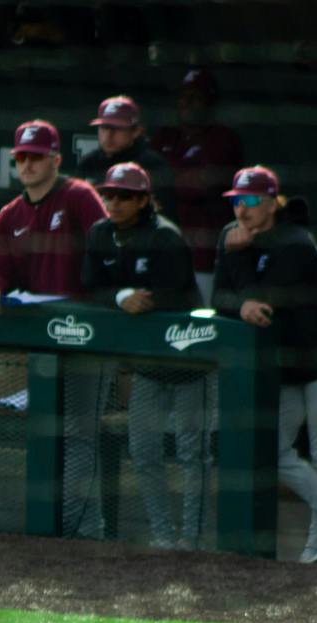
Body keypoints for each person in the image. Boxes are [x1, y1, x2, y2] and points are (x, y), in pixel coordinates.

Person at [211, 165, 317, 565]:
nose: (242, 210)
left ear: (272, 203)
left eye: (251, 200)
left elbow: (263, 303)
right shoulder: (231, 236)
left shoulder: (295, 241)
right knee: (270, 447)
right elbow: (220, 298)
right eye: (236, 201)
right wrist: (239, 287)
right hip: (286, 362)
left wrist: (237, 261)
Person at [0, 120, 110, 538]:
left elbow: (108, 252)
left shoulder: (79, 197)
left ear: (56, 159)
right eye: (21, 157)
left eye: (36, 156)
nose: (28, 164)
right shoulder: (9, 215)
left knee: (80, 433)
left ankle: (85, 529)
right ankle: (53, 529)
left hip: (85, 334)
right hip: (42, 342)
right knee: (49, 432)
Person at [81, 162, 205, 549]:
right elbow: (89, 286)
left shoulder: (165, 237)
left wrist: (136, 299)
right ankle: (163, 536)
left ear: (144, 200)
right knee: (144, 451)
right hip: (147, 365)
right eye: (109, 194)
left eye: (125, 196)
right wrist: (121, 296)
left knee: (191, 453)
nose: (114, 202)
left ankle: (193, 539)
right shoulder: (100, 234)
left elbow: (171, 295)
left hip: (188, 357)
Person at [150, 69, 244, 304]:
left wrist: (167, 182)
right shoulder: (165, 136)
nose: (187, 102)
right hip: (163, 252)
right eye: (183, 96)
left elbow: (199, 187)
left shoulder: (223, 139)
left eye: (195, 97)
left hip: (203, 254)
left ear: (210, 101)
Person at [74, 96, 174, 210]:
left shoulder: (152, 165)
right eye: (104, 128)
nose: (108, 135)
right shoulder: (88, 163)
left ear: (136, 131)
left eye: (117, 128)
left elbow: (162, 211)